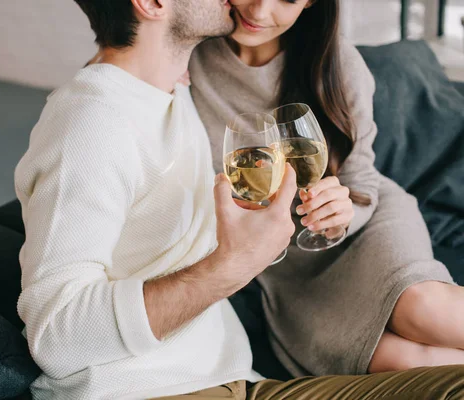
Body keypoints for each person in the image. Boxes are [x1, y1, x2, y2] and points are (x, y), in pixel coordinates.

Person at [15, 0, 464, 399]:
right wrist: (234, 264)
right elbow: (57, 334)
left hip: (249, 356)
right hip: (217, 338)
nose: (256, 9)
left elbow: (128, 58)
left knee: (429, 320)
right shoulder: (97, 122)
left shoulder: (171, 86)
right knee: (410, 361)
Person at [188, 0, 464, 378]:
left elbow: (363, 182)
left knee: (421, 306)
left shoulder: (336, 62)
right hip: (287, 269)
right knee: (403, 363)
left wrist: (343, 213)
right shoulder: (188, 53)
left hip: (366, 226)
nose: (260, 10)